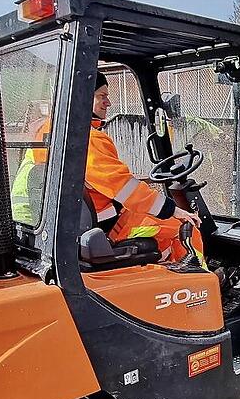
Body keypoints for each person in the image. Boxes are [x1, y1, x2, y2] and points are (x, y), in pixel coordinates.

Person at [87, 72, 203, 263]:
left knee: (163, 235)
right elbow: (123, 187)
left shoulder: (50, 132)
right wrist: (173, 210)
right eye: (102, 96)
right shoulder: (89, 140)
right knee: (184, 228)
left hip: (88, 223)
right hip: (106, 226)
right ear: (83, 98)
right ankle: (201, 277)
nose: (108, 102)